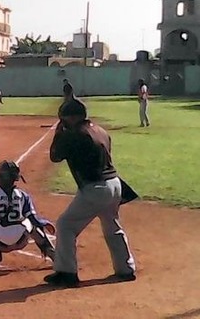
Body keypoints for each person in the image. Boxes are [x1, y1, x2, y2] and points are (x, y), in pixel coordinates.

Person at [45, 98, 136, 288]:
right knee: (112, 227)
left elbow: (55, 156)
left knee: (66, 225)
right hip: (115, 184)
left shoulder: (75, 135)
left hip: (95, 188)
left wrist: (58, 134)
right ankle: (126, 269)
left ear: (71, 118)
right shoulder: (100, 130)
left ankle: (66, 272)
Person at [0, 160, 56, 272]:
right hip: (21, 240)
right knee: (33, 226)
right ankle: (53, 254)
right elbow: (34, 219)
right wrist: (44, 223)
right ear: (16, 178)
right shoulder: (23, 195)